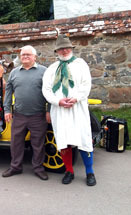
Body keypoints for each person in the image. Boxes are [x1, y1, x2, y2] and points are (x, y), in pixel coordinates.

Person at [42, 34, 96, 186]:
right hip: (59, 110)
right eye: (61, 49)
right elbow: (46, 90)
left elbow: (86, 85)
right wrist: (57, 101)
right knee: (63, 141)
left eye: (66, 48)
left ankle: (90, 172)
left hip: (77, 108)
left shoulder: (81, 64)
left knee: (84, 139)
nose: (64, 51)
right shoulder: (51, 69)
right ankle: (69, 171)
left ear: (71, 49)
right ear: (57, 51)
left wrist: (76, 98)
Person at [2, 45, 50, 180]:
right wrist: (7, 110)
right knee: (16, 143)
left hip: (38, 115)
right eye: (23, 55)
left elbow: (50, 92)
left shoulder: (44, 71)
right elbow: (8, 92)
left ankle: (38, 168)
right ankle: (15, 167)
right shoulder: (14, 72)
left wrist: (49, 110)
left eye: (28, 54)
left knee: (38, 144)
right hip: (19, 115)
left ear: (35, 57)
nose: (25, 56)